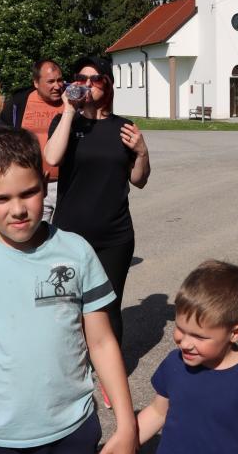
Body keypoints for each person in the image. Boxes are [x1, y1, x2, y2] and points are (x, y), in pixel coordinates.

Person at [0, 127, 138, 454]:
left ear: (44, 184)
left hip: (71, 431)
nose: (17, 209)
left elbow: (101, 342)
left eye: (28, 193)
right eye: (1, 199)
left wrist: (127, 424)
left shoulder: (77, 252)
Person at [44, 56, 151, 349]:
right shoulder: (65, 122)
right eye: (81, 78)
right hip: (69, 236)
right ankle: (73, 365)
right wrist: (69, 111)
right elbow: (52, 157)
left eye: (95, 79)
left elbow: (139, 180)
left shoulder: (124, 127)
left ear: (108, 85)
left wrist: (142, 152)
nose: (87, 84)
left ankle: (109, 368)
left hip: (114, 237)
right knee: (68, 307)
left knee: (107, 308)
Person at [137, 260, 238, 453]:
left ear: (236, 333)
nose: (185, 343)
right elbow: (158, 412)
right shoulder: (174, 363)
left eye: (199, 337)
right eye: (180, 329)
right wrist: (125, 441)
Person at [0, 60, 66, 221]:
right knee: (34, 233)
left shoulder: (72, 101)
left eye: (60, 80)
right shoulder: (19, 102)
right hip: (32, 186)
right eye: (50, 81)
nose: (57, 86)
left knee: (67, 234)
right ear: (36, 83)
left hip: (67, 185)